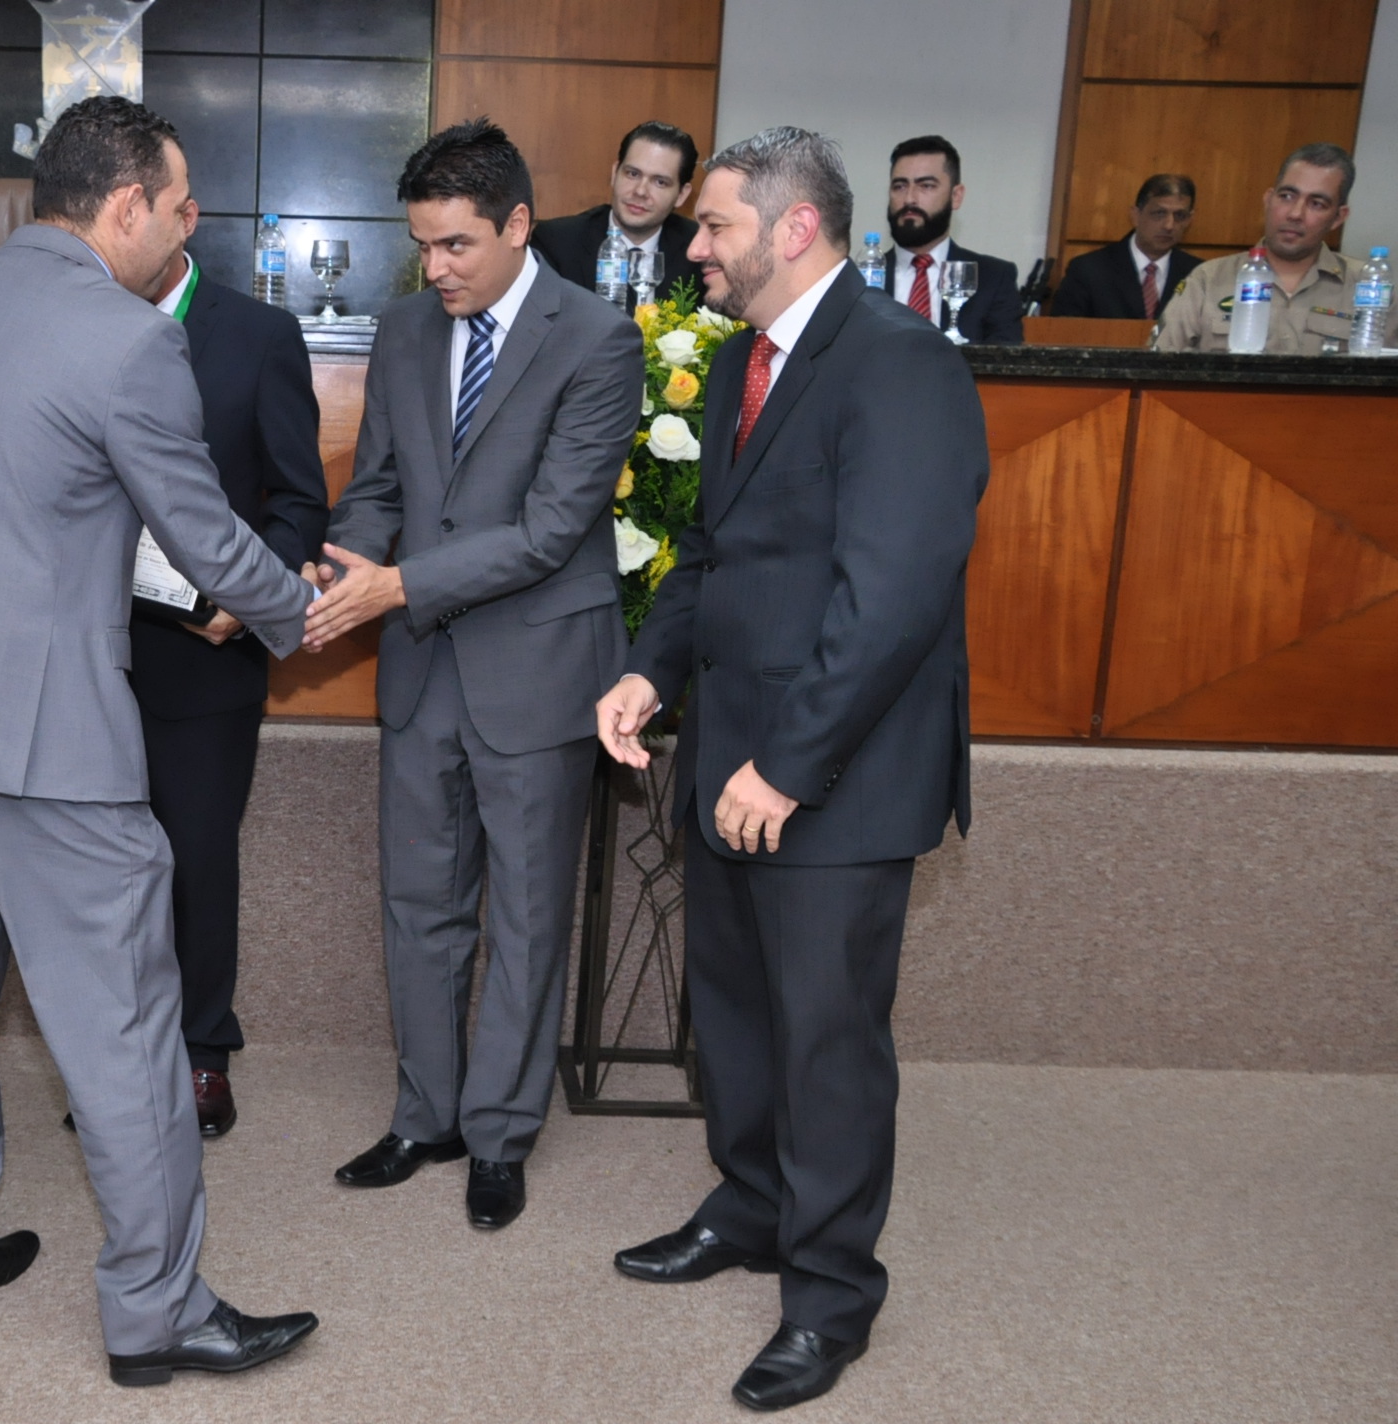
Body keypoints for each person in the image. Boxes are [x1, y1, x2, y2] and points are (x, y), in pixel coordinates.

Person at [0, 96, 320, 1385]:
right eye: (176, 206)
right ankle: (156, 1309)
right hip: (47, 727)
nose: (185, 229)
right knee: (123, 1022)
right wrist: (301, 608)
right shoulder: (128, 338)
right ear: (124, 206)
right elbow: (206, 538)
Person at [593, 127, 988, 1411]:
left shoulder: (902, 365)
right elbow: (710, 555)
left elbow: (890, 599)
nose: (693, 247)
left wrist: (784, 766)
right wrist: (651, 670)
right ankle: (752, 1203)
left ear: (794, 227)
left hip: (835, 774)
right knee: (735, 1012)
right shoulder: (736, 362)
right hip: (729, 756)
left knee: (824, 1041)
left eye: (712, 225)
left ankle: (828, 1293)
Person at [305, 119, 641, 1232]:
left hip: (537, 664)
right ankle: (426, 1115)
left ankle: (500, 1133)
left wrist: (395, 585)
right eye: (421, 246)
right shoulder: (406, 329)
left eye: (455, 245)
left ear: (515, 225)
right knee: (418, 904)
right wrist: (345, 564)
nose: (435, 268)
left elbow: (550, 529)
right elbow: (379, 486)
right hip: (421, 667)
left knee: (529, 915)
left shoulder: (596, 339)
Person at [130, 197, 330, 1137]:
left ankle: (202, 1051)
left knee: (198, 862)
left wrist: (253, 598)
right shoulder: (72, 324)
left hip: (205, 656)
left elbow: (298, 500)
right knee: (102, 873)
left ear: (180, 220)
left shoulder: (258, 335)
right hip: (83, 652)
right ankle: (119, 1062)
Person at [1158, 144, 1363, 354]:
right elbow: (1158, 363)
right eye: (1287, 196)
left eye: (1317, 204)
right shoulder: (1208, 280)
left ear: (1338, 218)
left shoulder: (1368, 287)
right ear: (1268, 199)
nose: (1295, 214)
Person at [532, 120, 705, 304]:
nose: (640, 191)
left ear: (681, 194)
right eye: (632, 174)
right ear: (615, 173)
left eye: (660, 182)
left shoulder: (701, 251)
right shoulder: (557, 242)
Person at [883, 135, 1023, 343]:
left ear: (956, 196)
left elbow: (1005, 358)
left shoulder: (993, 278)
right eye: (900, 186)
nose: (909, 198)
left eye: (926, 186)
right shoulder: (858, 277)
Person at [1051, 174, 1202, 321]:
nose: (1169, 225)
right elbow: (1064, 331)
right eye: (1159, 213)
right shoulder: (1089, 270)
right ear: (1135, 215)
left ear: (1189, 220)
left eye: (1180, 216)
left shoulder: (1199, 273)